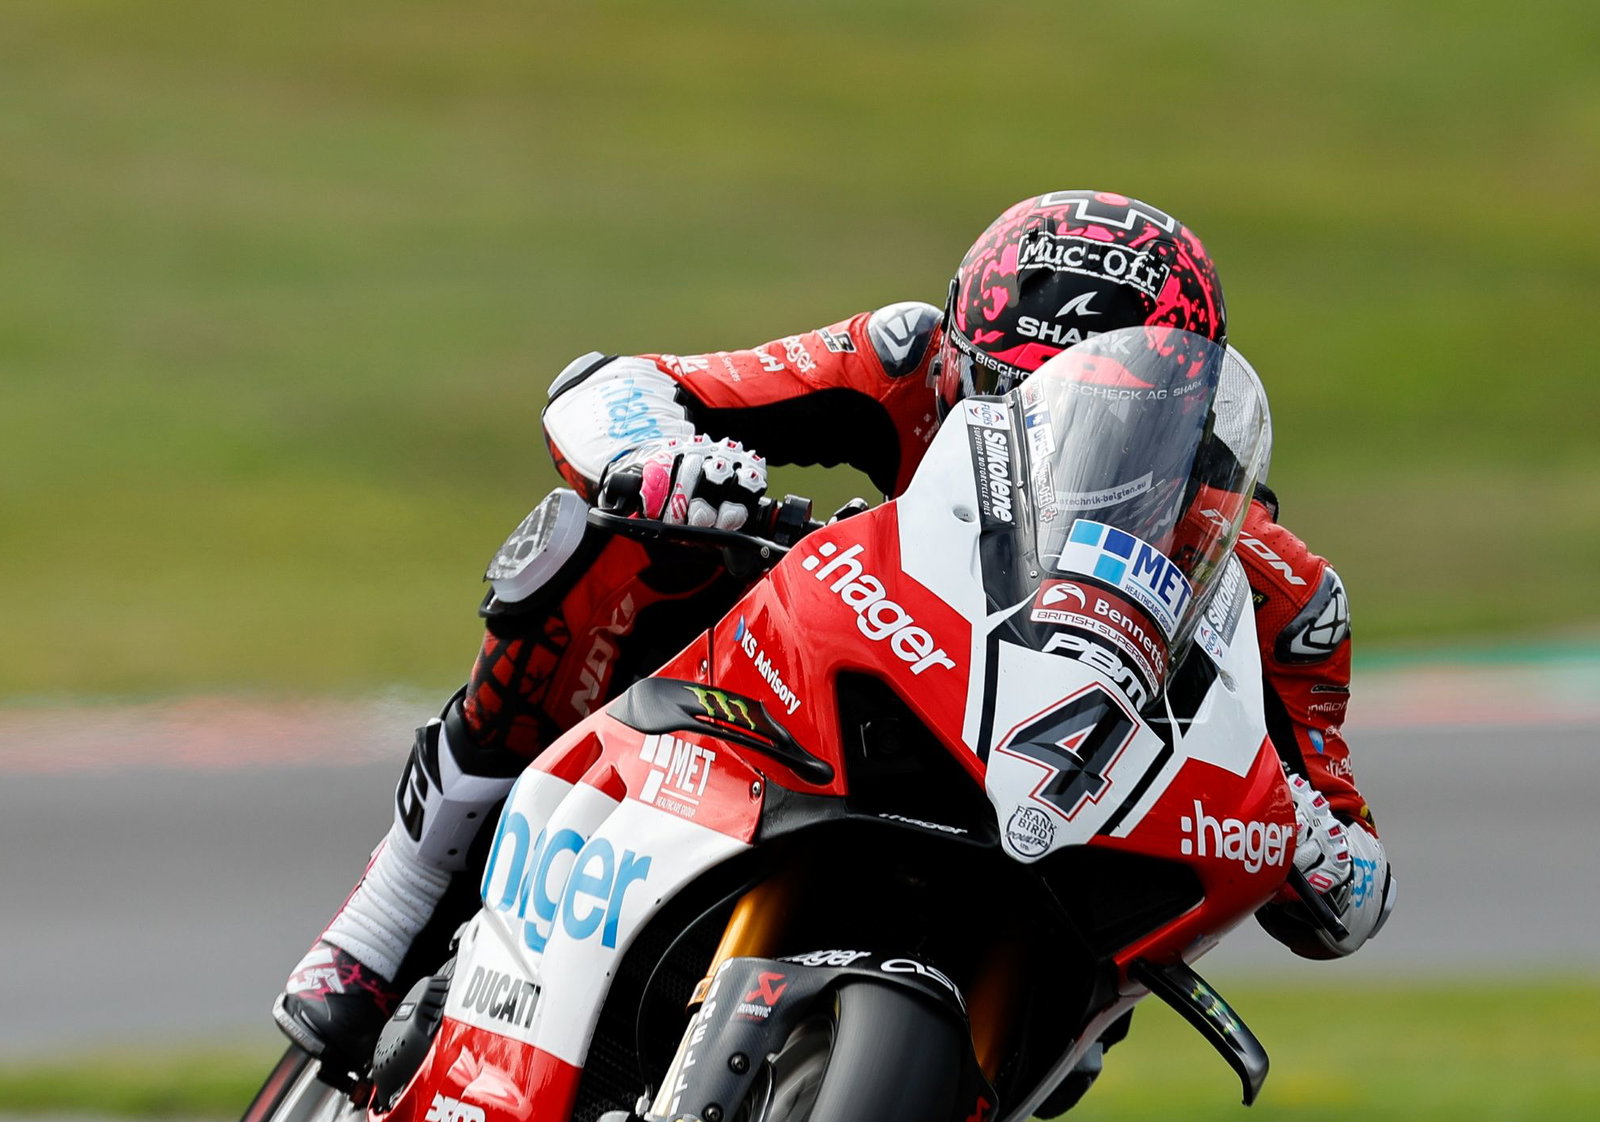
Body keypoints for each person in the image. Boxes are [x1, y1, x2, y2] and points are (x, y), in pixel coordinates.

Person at [274, 190, 1395, 1072]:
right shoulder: (906, 362)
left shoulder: (1277, 588)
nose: (1041, 432)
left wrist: (1303, 834)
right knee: (599, 542)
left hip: (1055, 832)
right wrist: (664, 465)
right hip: (850, 686)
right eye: (1005, 393)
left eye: (1102, 418)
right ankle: (400, 898)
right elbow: (613, 387)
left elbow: (1354, 891)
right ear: (960, 356)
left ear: (1179, 417)